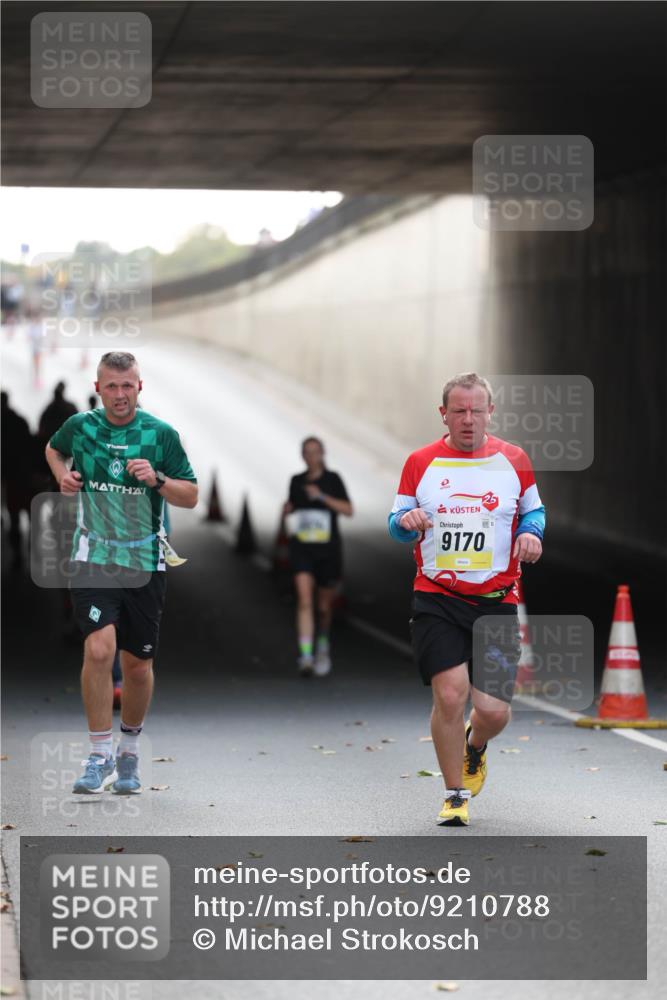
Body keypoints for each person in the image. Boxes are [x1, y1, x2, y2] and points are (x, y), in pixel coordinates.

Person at [388, 373, 545, 826]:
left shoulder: (514, 459)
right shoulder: (421, 462)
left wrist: (531, 533)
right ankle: (455, 793)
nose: (469, 419)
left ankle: (476, 746)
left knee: (493, 710)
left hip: (496, 599)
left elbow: (533, 509)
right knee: (451, 695)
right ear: (444, 414)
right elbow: (395, 521)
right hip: (436, 595)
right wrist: (407, 519)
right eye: (459, 411)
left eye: (477, 410)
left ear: (490, 412)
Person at [45, 351, 198, 794]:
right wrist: (62, 475)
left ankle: (128, 751)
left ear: (139, 387)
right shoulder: (82, 427)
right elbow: (54, 449)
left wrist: (157, 481)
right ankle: (98, 754)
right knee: (98, 650)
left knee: (136, 665)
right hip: (94, 555)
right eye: (110, 386)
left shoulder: (160, 435)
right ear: (98, 388)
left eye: (126, 385)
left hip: (144, 560)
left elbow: (190, 496)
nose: (118, 394)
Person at [283, 437, 353, 677]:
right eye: (307, 453)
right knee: (304, 600)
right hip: (302, 547)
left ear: (322, 453)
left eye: (315, 452)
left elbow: (348, 510)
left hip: (327, 549)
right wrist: (288, 512)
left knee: (323, 607)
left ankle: (322, 644)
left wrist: (322, 497)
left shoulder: (333, 480)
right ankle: (305, 656)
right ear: (302, 456)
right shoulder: (296, 481)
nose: (311, 457)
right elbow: (291, 509)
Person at [1, 391, 34, 567]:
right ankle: (31, 551)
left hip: (13, 478)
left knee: (13, 517)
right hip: (24, 476)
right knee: (29, 515)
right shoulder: (19, 421)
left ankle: (18, 556)